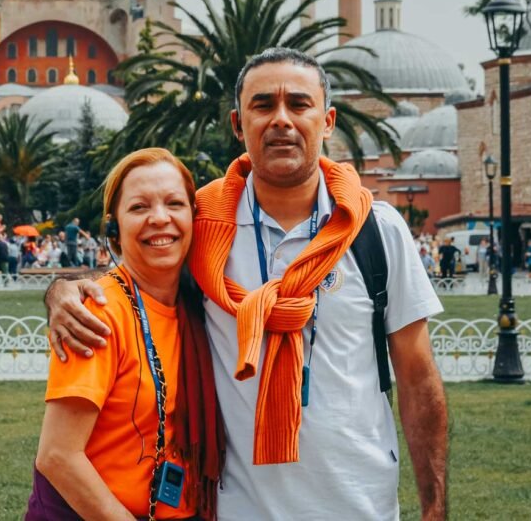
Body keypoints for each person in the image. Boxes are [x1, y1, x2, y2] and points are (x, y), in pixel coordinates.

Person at [46, 47, 447, 520]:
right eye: (263, 106)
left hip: (360, 505)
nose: (281, 119)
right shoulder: (204, 227)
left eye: (298, 104)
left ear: (328, 120)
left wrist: (435, 508)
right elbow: (139, 270)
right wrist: (60, 289)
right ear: (239, 125)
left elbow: (419, 381)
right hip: (241, 509)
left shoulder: (376, 231)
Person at [28, 148, 223, 521]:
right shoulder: (98, 312)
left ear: (194, 218)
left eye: (174, 203)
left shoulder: (202, 305)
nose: (160, 218)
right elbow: (58, 455)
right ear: (114, 228)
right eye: (139, 207)